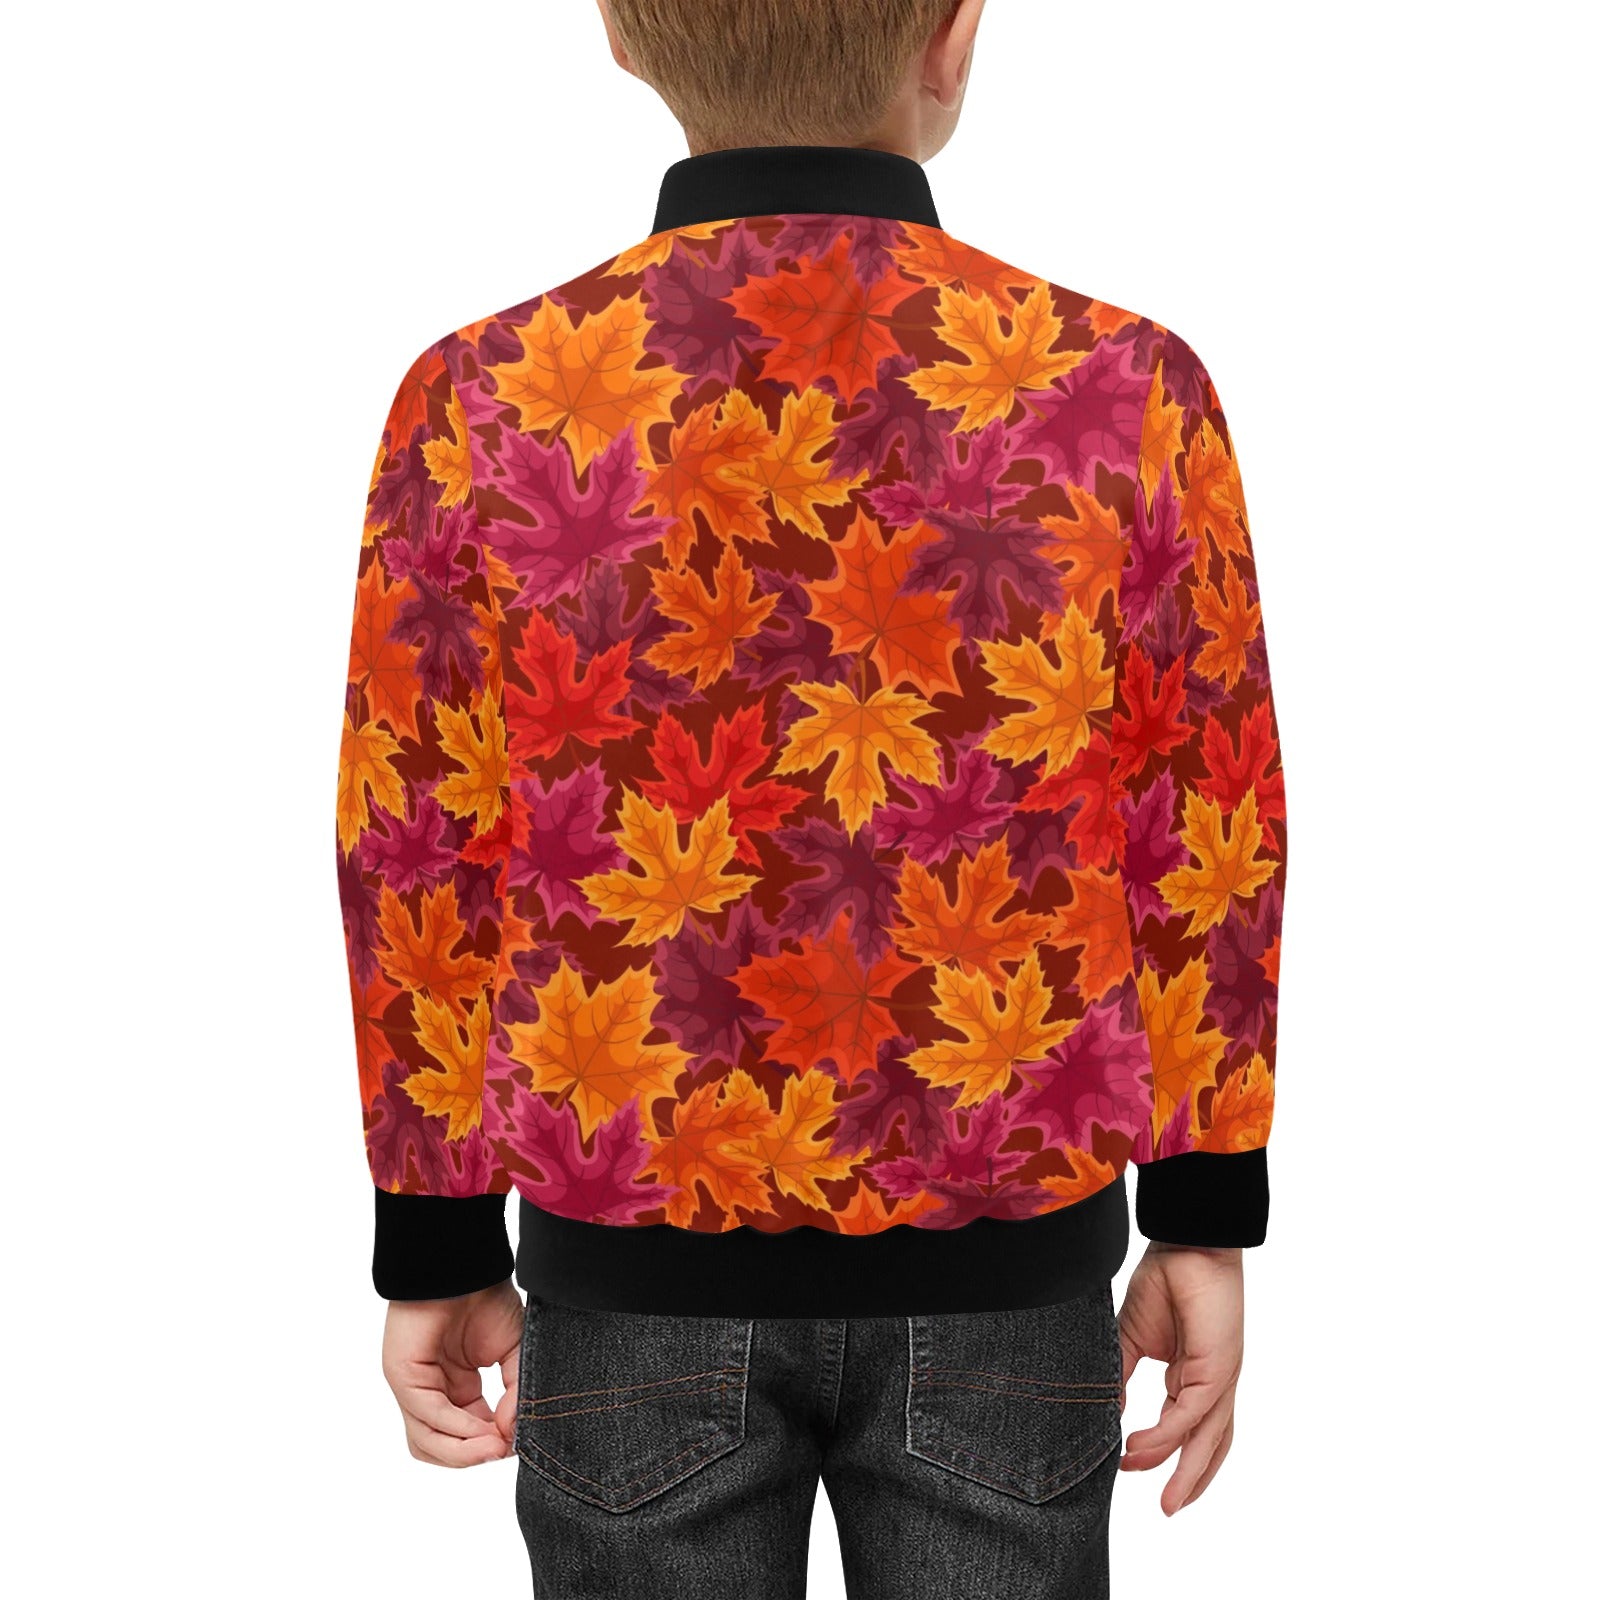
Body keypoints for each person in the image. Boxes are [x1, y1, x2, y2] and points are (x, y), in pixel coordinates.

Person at [333, 1, 1289, 1593]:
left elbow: (415, 839)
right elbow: (1209, 817)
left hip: (629, 1275)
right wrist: (1201, 1208)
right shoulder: (1123, 386)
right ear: (953, 34)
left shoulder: (483, 397)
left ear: (623, 33)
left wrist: (434, 1233)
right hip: (1010, 1272)